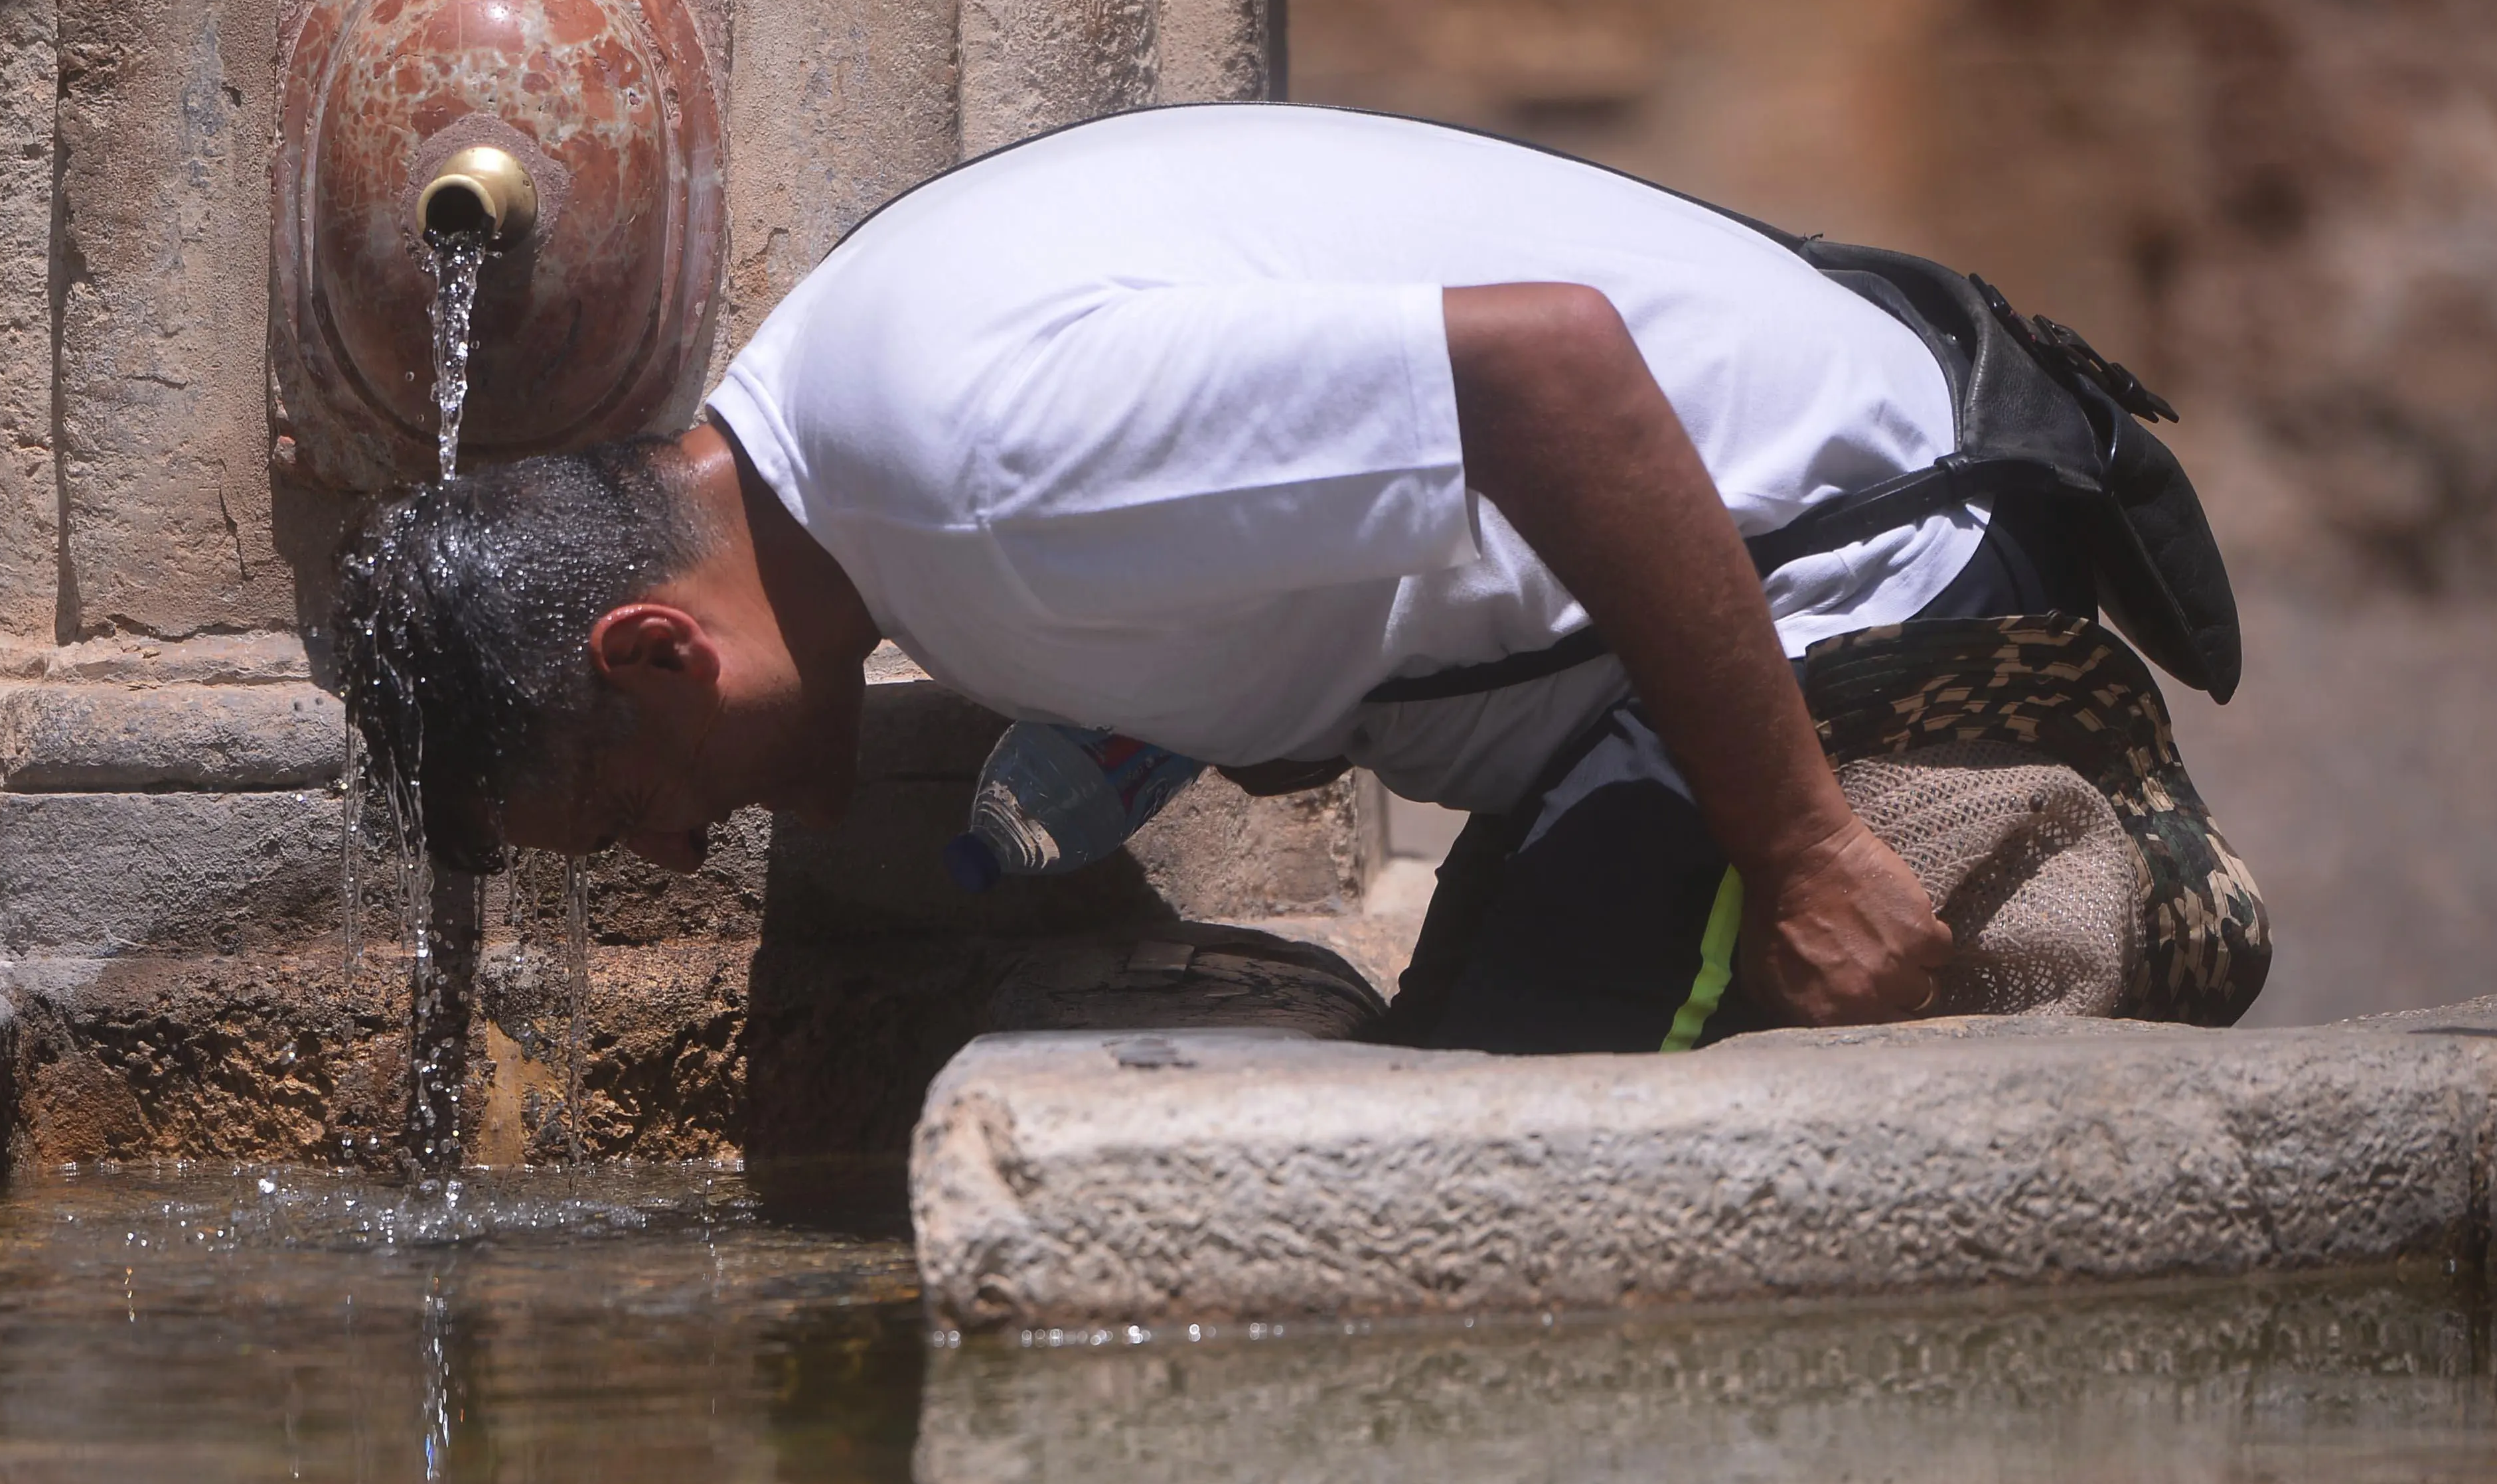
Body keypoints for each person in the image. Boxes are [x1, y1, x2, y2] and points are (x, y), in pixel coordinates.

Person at [343, 104, 2269, 1051]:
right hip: (1681, 628)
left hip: (1867, 581)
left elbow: (1560, 377)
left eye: (621, 808)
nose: (677, 854)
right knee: (1471, 1106)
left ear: (656, 642)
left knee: (1509, 1209)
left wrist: (1808, 851)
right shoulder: (847, 413)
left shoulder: (975, 477)